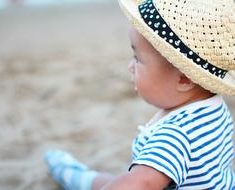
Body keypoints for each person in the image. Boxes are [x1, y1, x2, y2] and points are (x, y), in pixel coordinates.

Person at [45, 0, 235, 189]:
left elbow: (141, 184)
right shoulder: (212, 107)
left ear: (184, 79)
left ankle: (69, 172)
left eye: (137, 59)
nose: (130, 66)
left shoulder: (176, 135)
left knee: (117, 182)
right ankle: (74, 173)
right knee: (112, 180)